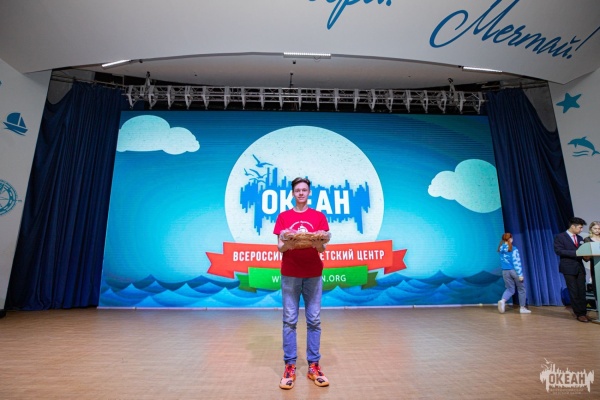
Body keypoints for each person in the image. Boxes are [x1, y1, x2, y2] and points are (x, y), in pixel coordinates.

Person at [274, 177, 330, 390]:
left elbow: (322, 248)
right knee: (289, 320)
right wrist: (289, 242)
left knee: (314, 320)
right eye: (297, 190)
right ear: (292, 193)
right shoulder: (284, 217)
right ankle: (289, 366)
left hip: (313, 274)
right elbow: (279, 247)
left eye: (304, 190)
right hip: (290, 274)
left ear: (309, 193)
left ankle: (314, 366)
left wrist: (318, 241)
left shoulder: (318, 217)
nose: (300, 193)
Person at [554, 217, 590, 322]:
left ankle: (584, 312)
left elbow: (583, 251)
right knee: (573, 291)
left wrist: (586, 256)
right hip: (568, 267)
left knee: (582, 291)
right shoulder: (560, 237)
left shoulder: (580, 238)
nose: (581, 230)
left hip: (579, 267)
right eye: (580, 227)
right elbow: (559, 251)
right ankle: (579, 314)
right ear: (573, 226)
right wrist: (576, 253)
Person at [497, 233, 531, 314]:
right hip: (514, 271)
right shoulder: (514, 249)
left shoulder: (500, 249)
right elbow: (516, 262)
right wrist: (520, 274)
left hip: (505, 271)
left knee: (510, 289)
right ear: (510, 239)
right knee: (521, 289)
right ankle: (522, 308)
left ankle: (502, 300)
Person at [583, 221, 600, 304]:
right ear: (591, 229)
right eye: (595, 228)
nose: (597, 230)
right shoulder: (587, 239)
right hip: (595, 264)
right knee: (597, 284)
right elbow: (587, 254)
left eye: (599, 229)